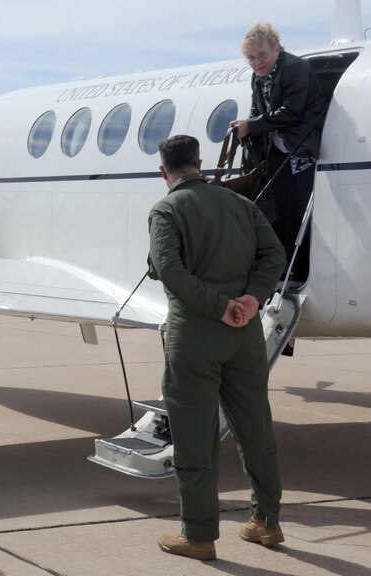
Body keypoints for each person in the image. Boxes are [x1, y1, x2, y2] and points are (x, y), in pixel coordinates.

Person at [148, 135, 286, 561]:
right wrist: (251, 299)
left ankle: (199, 534)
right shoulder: (241, 205)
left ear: (164, 171)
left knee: (194, 434)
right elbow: (274, 256)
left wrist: (218, 306)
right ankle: (265, 521)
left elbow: (168, 268)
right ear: (200, 163)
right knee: (255, 427)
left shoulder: (166, 209)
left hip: (195, 338)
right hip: (245, 336)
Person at [231, 22, 323, 281]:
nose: (257, 62)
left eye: (262, 55)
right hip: (278, 152)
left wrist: (253, 125)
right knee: (280, 210)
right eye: (251, 58)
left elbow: (292, 112)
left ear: (276, 49)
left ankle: (302, 267)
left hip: (300, 150)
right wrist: (245, 126)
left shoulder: (295, 69)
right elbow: (255, 110)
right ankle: (283, 267)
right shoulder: (258, 77)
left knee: (300, 210)